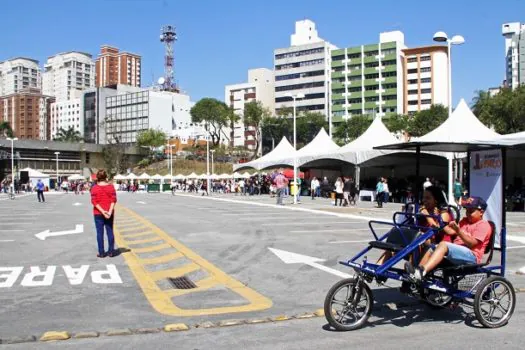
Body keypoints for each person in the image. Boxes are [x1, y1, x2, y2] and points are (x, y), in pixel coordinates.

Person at [406, 197, 491, 281]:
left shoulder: (483, 225)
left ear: (481, 212)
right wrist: (438, 218)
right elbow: (450, 231)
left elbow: (472, 243)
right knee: (430, 247)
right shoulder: (464, 221)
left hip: (472, 256)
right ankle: (417, 274)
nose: (468, 213)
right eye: (467, 210)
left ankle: (422, 272)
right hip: (458, 251)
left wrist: (458, 231)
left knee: (443, 244)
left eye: (471, 211)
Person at [377, 186, 452, 265]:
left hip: (438, 242)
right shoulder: (423, 211)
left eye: (428, 198)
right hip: (423, 241)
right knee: (395, 242)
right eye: (423, 198)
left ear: (436, 200)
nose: (424, 200)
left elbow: (437, 229)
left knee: (418, 238)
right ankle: (376, 268)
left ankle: (412, 267)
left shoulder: (444, 213)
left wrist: (427, 215)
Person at [90, 169, 117, 258]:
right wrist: (109, 211)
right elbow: (113, 200)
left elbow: (94, 202)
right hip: (109, 213)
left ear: (97, 177)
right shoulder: (111, 187)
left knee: (99, 233)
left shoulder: (94, 188)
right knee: (110, 231)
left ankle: (101, 253)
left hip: (98, 213)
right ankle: (111, 251)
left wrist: (102, 211)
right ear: (106, 177)